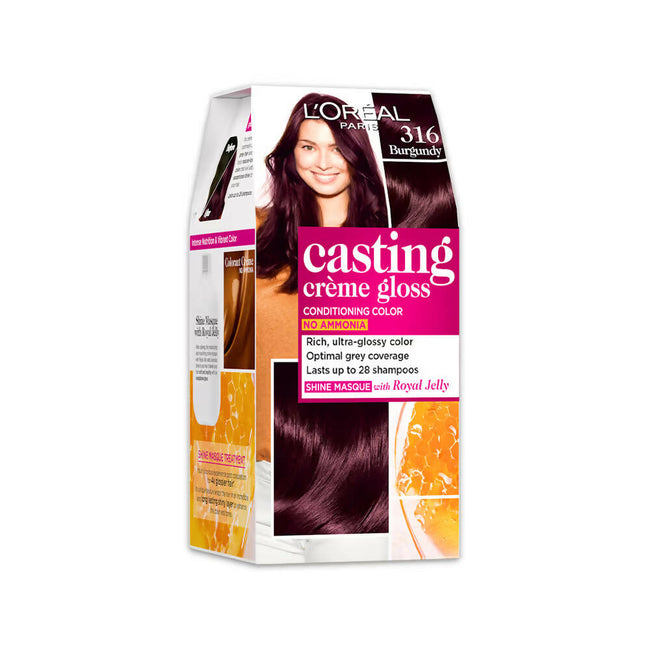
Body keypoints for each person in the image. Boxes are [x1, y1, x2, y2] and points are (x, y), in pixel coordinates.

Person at [255, 93, 388, 460]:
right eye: (309, 147)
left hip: (359, 459)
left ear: (356, 154)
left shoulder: (394, 243)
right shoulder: (254, 230)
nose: (324, 163)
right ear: (291, 153)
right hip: (267, 460)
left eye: (337, 148)